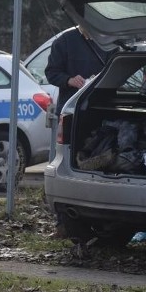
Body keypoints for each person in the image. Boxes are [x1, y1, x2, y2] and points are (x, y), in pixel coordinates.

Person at [44, 25, 114, 238]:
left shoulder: (108, 41)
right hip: (73, 112)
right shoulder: (64, 41)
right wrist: (68, 80)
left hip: (103, 110)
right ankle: (64, 223)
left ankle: (103, 220)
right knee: (67, 165)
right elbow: (51, 72)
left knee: (101, 163)